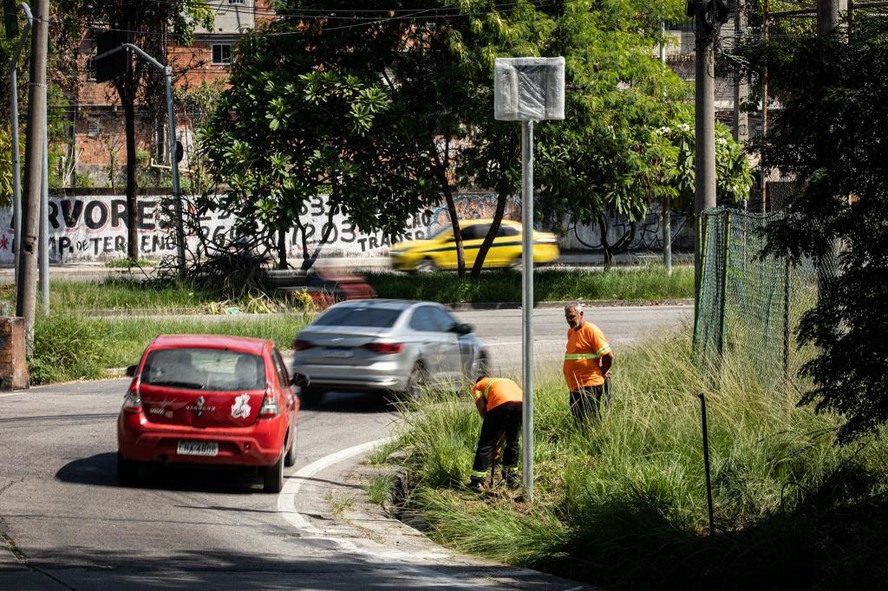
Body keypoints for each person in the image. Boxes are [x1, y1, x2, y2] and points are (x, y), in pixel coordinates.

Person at [466, 375, 523, 492]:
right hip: (521, 405)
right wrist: (497, 446)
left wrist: (492, 439)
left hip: (500, 404)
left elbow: (482, 410)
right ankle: (511, 479)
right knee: (513, 442)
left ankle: (477, 482)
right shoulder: (503, 380)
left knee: (486, 443)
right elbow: (505, 431)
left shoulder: (477, 386)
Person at [563, 301, 613, 425]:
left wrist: (603, 371)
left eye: (572, 316)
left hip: (590, 383)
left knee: (591, 420)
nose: (569, 320)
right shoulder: (571, 332)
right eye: (567, 317)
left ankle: (597, 442)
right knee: (578, 420)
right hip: (575, 385)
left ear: (581, 314)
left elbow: (608, 355)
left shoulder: (591, 330)